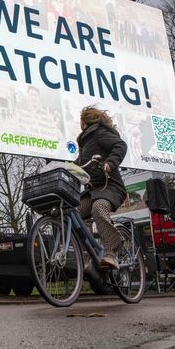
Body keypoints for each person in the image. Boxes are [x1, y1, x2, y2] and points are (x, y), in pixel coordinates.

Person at [74, 105, 128, 269]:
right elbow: (79, 164)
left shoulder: (98, 133)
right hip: (92, 191)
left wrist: (110, 163)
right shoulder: (85, 141)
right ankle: (89, 254)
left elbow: (121, 145)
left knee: (98, 208)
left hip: (110, 186)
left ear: (85, 121)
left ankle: (112, 251)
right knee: (73, 213)